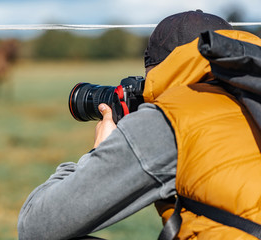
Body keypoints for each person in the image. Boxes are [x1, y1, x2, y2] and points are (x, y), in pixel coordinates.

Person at [17, 10, 261, 240]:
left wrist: (98, 152)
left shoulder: (173, 118)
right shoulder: (253, 95)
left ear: (159, 70)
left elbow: (35, 227)